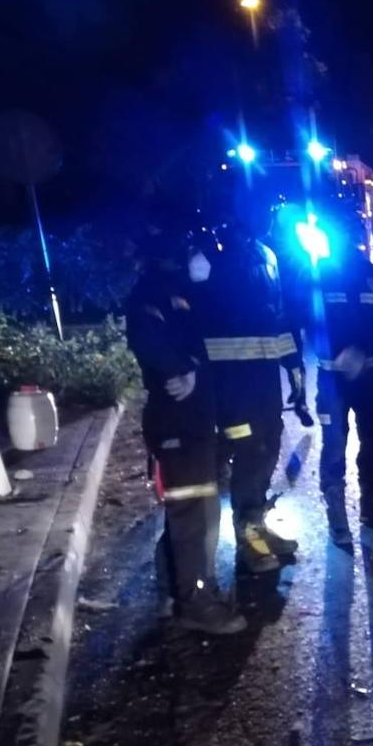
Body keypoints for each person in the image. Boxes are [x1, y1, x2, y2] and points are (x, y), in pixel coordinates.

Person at [126, 216, 246, 635]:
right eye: (191, 250)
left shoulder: (184, 294)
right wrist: (184, 369)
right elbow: (150, 340)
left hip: (194, 421)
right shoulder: (152, 296)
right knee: (194, 514)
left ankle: (174, 591)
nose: (197, 256)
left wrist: (192, 365)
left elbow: (201, 336)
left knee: (192, 511)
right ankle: (195, 602)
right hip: (177, 421)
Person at [193, 216, 306, 572]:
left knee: (266, 447)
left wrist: (293, 366)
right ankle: (248, 540)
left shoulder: (266, 255)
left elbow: (280, 316)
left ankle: (258, 526)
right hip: (229, 385)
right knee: (247, 453)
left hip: (263, 381)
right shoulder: (208, 256)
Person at [297, 203, 373, 546]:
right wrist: (334, 353)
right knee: (334, 445)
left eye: (353, 234)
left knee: (372, 443)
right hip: (333, 379)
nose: (350, 240)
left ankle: (370, 505)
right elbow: (308, 324)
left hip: (370, 378)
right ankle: (337, 512)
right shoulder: (318, 274)